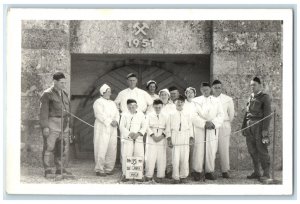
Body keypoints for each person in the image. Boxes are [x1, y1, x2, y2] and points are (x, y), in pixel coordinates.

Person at [39, 72, 72, 177]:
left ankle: (60, 168)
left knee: (62, 147)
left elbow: (68, 111)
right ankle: (48, 169)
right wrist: (45, 127)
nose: (64, 85)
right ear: (55, 82)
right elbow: (43, 112)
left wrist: (69, 125)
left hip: (64, 124)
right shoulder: (47, 94)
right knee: (49, 147)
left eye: (64, 82)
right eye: (62, 83)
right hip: (52, 123)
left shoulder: (65, 94)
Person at [192, 82, 224, 181]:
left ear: (210, 89)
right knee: (199, 149)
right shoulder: (195, 101)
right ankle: (197, 171)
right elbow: (193, 115)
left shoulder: (216, 101)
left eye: (207, 89)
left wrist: (213, 123)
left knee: (211, 149)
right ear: (201, 90)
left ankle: (209, 171)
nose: (205, 91)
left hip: (212, 128)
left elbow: (221, 115)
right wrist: (204, 123)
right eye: (203, 90)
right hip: (200, 128)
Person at [242, 77, 272, 181]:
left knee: (262, 150)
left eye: (254, 85)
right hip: (249, 126)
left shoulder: (264, 97)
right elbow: (247, 113)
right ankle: (257, 172)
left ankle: (266, 173)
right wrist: (243, 127)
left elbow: (268, 114)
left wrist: (265, 130)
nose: (252, 87)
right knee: (252, 150)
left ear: (260, 85)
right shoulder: (250, 97)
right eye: (251, 85)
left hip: (259, 126)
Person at [166, 95, 194, 184]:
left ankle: (183, 176)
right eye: (178, 101)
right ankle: (175, 177)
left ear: (184, 103)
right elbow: (168, 127)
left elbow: (190, 126)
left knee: (185, 157)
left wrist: (191, 137)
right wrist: (169, 138)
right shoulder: (171, 114)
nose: (179, 103)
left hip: (185, 136)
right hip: (175, 135)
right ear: (175, 103)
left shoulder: (188, 114)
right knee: (175, 157)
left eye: (181, 102)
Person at [93, 84, 119, 176]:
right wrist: (109, 121)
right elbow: (99, 114)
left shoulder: (112, 103)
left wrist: (116, 121)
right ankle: (99, 169)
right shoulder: (98, 102)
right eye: (108, 91)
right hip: (102, 127)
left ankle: (109, 168)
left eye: (110, 91)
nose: (110, 93)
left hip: (113, 128)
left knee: (112, 147)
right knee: (101, 147)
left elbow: (117, 113)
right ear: (103, 92)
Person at [119, 99, 148, 181]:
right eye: (130, 107)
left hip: (138, 138)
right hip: (128, 139)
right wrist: (129, 134)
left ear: (136, 106)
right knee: (127, 155)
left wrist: (138, 133)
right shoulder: (124, 115)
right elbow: (121, 127)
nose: (132, 108)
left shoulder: (141, 115)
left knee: (139, 155)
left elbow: (144, 126)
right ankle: (125, 174)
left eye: (133, 106)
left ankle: (139, 175)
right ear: (127, 107)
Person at [212, 80, 235, 178]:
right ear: (212, 88)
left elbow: (231, 114)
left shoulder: (228, 99)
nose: (217, 89)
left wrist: (224, 122)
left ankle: (225, 170)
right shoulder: (209, 98)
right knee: (211, 148)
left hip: (224, 125)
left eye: (219, 87)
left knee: (224, 148)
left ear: (221, 88)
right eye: (215, 87)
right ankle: (210, 170)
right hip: (212, 126)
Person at [144, 99, 168, 183]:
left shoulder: (166, 116)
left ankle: (160, 175)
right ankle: (148, 175)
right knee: (150, 156)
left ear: (162, 107)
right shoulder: (149, 115)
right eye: (156, 107)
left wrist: (162, 136)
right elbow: (146, 126)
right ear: (153, 107)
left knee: (161, 156)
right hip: (152, 137)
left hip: (162, 137)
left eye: (159, 107)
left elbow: (168, 127)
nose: (158, 109)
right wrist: (153, 136)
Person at [158, 88, 176, 178]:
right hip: (159, 132)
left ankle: (169, 169)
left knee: (169, 150)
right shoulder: (156, 105)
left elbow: (174, 119)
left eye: (165, 95)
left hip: (169, 132)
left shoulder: (173, 106)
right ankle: (160, 169)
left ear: (168, 96)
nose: (163, 96)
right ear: (159, 96)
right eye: (162, 95)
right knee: (160, 151)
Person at [183, 87, 198, 174]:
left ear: (194, 94)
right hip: (186, 128)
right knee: (185, 149)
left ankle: (193, 169)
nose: (190, 94)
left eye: (192, 92)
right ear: (185, 94)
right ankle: (185, 170)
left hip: (195, 128)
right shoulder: (183, 104)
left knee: (194, 149)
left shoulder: (197, 104)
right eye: (188, 92)